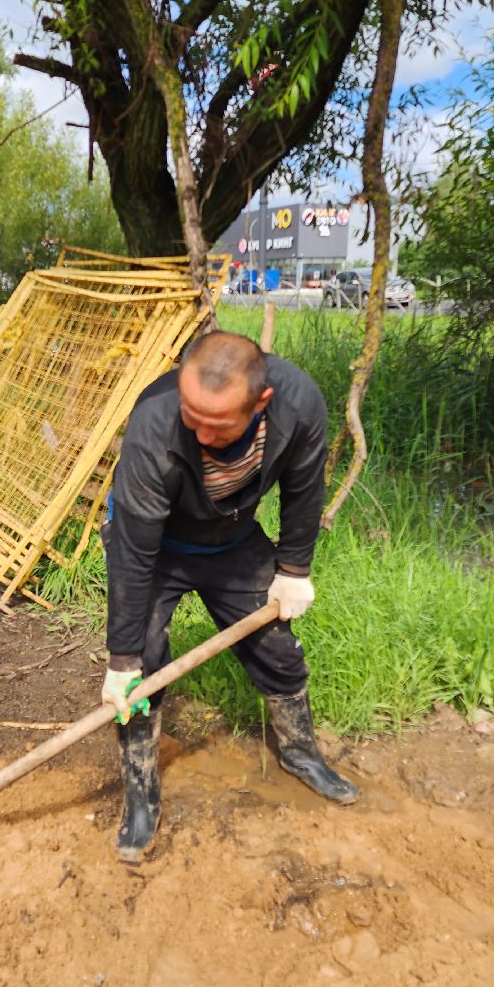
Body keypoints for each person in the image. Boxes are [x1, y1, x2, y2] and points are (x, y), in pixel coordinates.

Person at [99, 331, 358, 863]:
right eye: (190, 414)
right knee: (142, 668)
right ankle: (141, 791)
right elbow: (133, 549)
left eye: (215, 423)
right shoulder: (155, 419)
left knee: (278, 650)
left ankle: (300, 752)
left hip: (233, 540)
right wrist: (123, 658)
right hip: (156, 546)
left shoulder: (299, 402)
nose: (197, 429)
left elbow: (304, 490)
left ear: (260, 404)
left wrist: (293, 569)